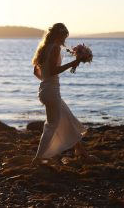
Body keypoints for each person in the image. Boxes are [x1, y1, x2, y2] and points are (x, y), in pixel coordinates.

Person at [31, 23, 88, 164]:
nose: (65, 40)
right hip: (51, 91)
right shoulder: (55, 48)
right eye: (64, 36)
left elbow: (36, 72)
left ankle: (80, 151)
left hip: (46, 90)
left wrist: (46, 82)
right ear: (58, 35)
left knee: (67, 118)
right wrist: (73, 63)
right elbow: (53, 71)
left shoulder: (43, 48)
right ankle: (38, 158)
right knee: (52, 124)